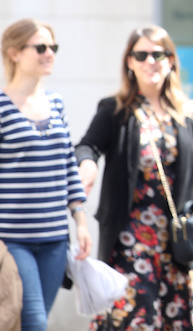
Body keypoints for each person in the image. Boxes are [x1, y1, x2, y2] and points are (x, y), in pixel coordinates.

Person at [75, 25, 193, 329]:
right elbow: (88, 145)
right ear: (130, 62)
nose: (151, 61)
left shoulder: (186, 115)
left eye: (158, 54)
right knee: (135, 318)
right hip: (130, 240)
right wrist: (87, 165)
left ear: (171, 60)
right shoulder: (115, 110)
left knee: (175, 319)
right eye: (141, 54)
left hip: (176, 244)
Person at [0, 19, 91, 331]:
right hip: (12, 240)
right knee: (35, 322)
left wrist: (80, 221)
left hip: (54, 238)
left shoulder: (56, 103)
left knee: (30, 323)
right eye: (40, 47)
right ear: (14, 53)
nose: (49, 53)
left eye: (53, 47)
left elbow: (67, 163)